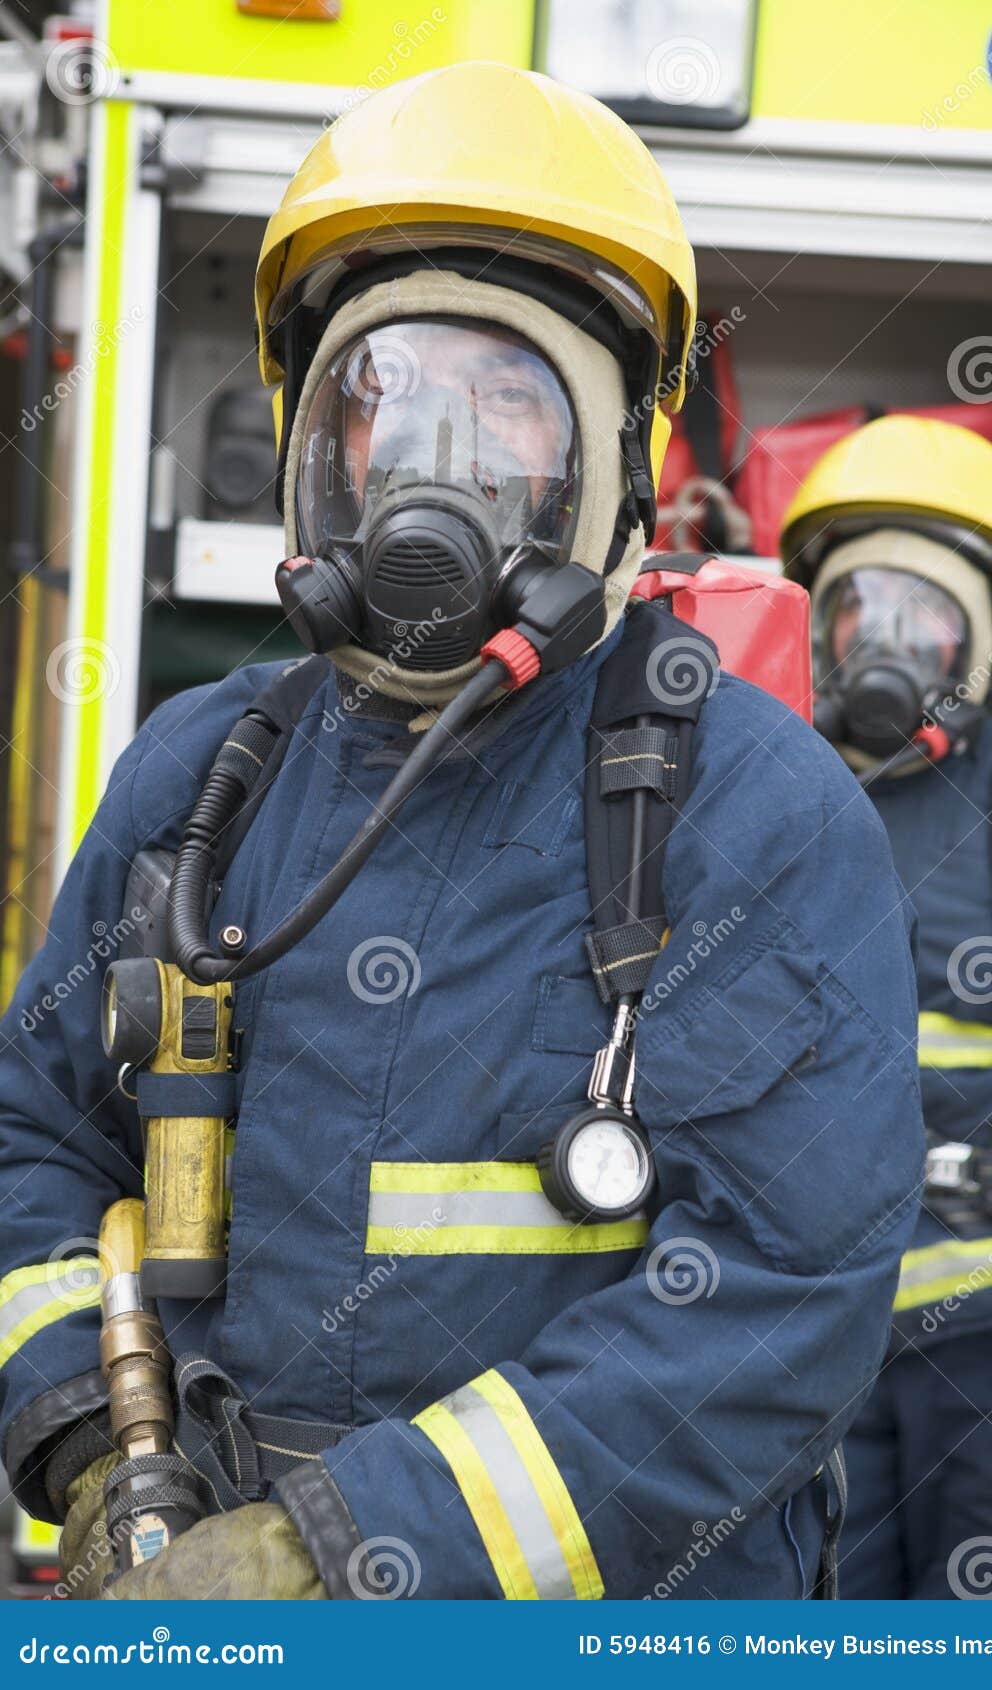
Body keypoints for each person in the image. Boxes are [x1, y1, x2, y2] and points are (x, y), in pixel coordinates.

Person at [0, 62, 921, 1602]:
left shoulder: (755, 815)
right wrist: (93, 1437)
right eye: (390, 395)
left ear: (615, 465)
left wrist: (342, 1549)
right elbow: (32, 1136)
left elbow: (779, 1297)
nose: (447, 455)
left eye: (509, 400)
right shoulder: (197, 776)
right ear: (319, 446)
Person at [781, 414, 992, 1599]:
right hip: (807, 1355)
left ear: (987, 631)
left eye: (922, 613)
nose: (884, 646)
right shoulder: (765, 797)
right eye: (860, 609)